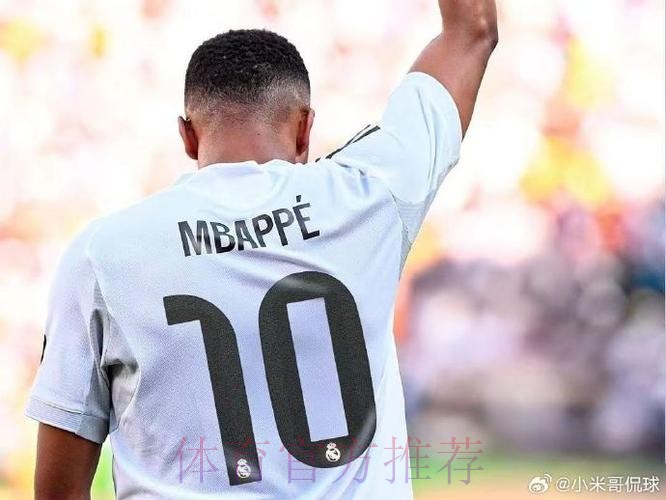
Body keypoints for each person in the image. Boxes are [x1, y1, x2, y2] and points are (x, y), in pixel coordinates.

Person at [26, 0, 497, 497]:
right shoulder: (368, 197)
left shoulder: (104, 254)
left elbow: (58, 491)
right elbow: (473, 30)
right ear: (305, 129)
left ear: (187, 135)